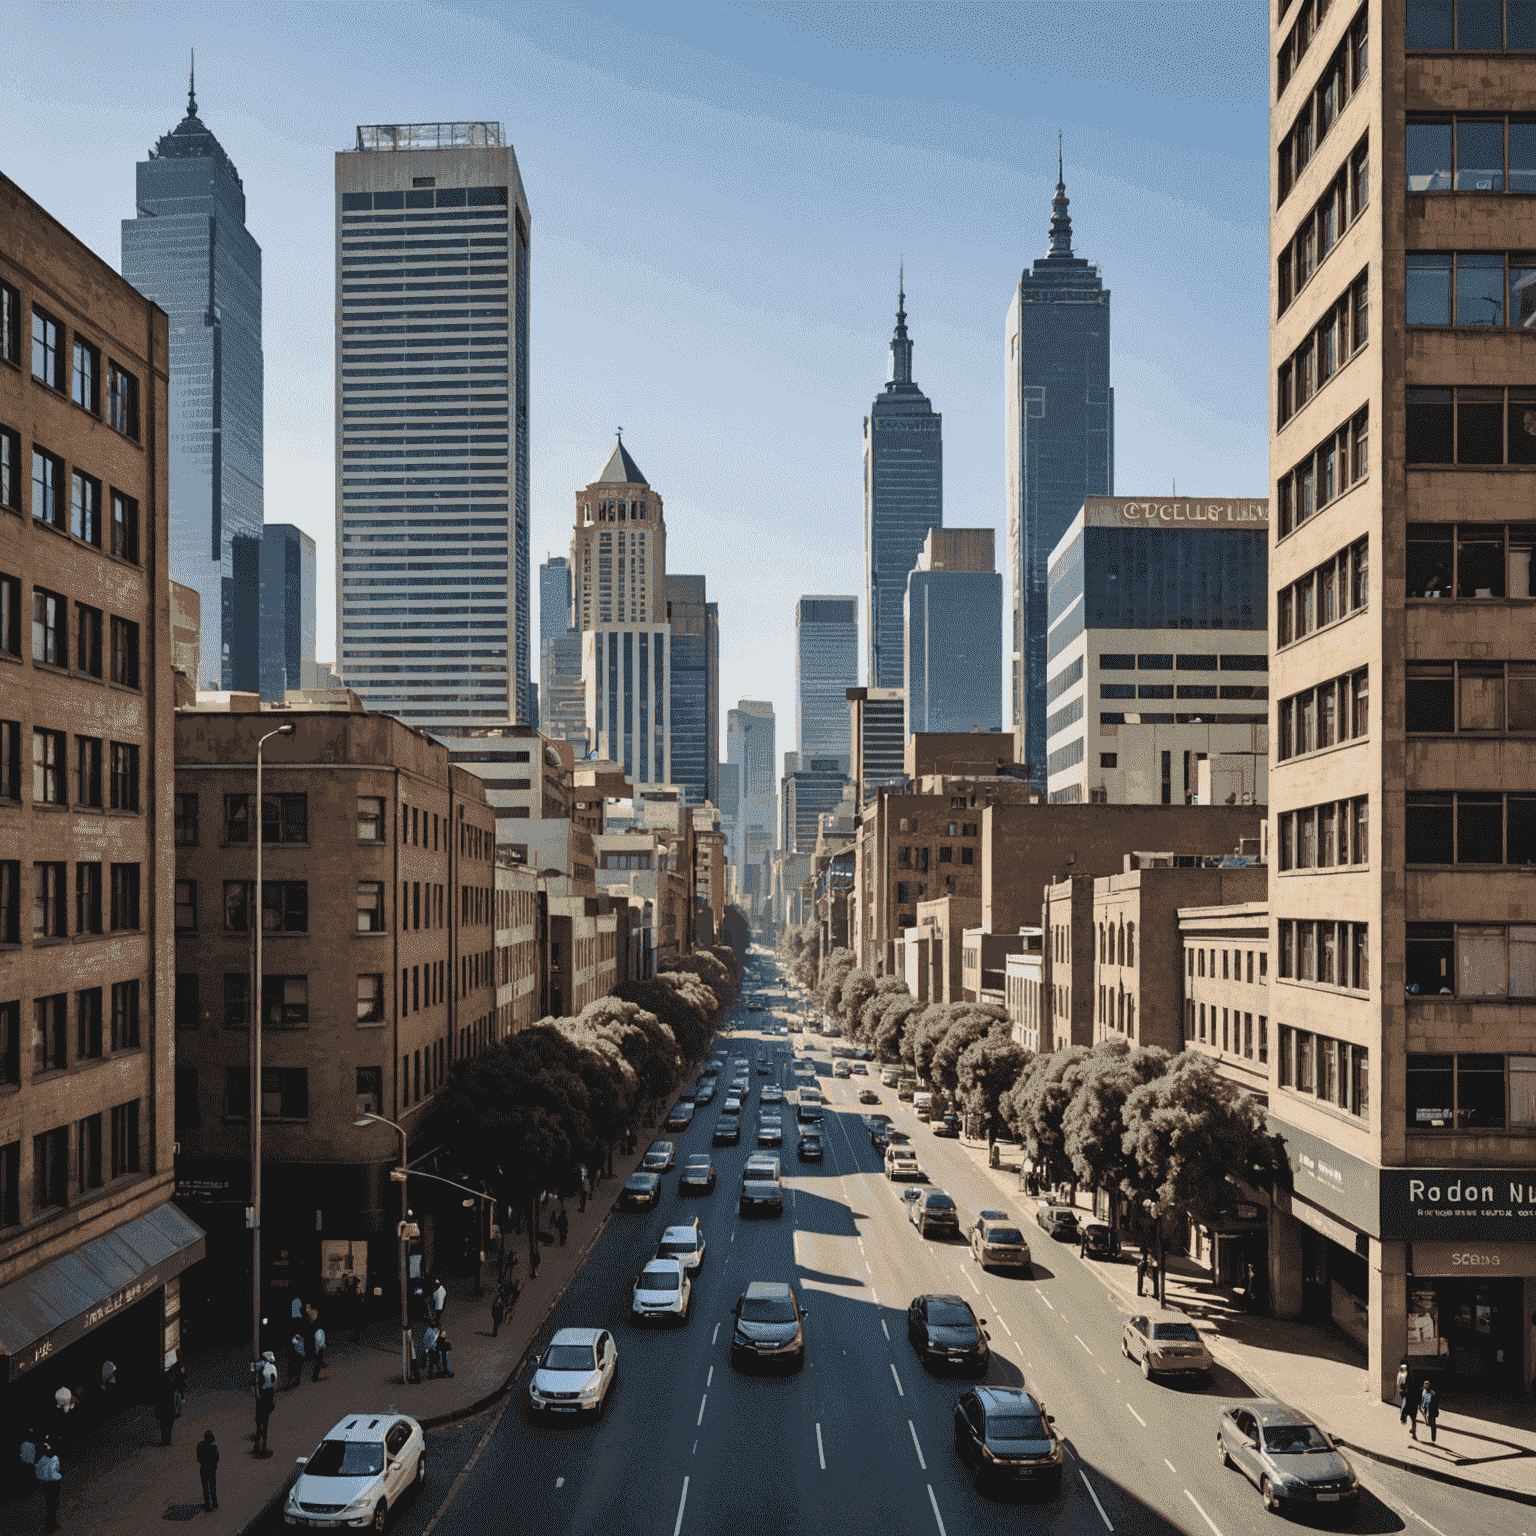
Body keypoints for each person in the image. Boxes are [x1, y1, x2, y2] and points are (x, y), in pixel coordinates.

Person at [35, 1441, 61, 1534]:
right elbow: (57, 1469)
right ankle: (51, 1525)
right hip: (52, 1484)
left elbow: (38, 1474)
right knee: (52, 1505)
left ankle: (51, 1524)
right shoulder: (53, 1458)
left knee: (51, 1504)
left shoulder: (42, 1461)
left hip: (49, 1484)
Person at [254, 1357, 276, 1456]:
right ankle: (263, 1449)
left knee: (259, 1427)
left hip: (260, 1406)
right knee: (264, 1428)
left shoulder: (260, 1383)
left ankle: (258, 1447)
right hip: (265, 1407)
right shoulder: (269, 1388)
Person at [196, 1430, 220, 1511]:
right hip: (211, 1469)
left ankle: (207, 1504)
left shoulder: (200, 1445)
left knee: (205, 1487)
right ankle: (214, 1503)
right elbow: (217, 1458)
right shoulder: (213, 1446)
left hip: (203, 1468)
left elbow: (198, 1458)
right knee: (212, 1486)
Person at [154, 1375, 178, 1447]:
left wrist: (156, 1413)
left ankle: (164, 1440)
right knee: (169, 1426)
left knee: (163, 1426)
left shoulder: (160, 1390)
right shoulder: (172, 1388)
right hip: (170, 1409)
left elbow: (157, 1402)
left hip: (163, 1411)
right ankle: (168, 1440)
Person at [1396, 1358, 1414, 1437]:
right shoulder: (1405, 1373)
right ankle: (1412, 1429)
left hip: (1405, 1393)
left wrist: (1399, 1390)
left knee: (1404, 1404)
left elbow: (1399, 1383)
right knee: (1412, 1415)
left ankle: (1403, 1416)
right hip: (1407, 1393)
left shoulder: (1402, 1373)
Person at [1420, 1380, 1440, 1445]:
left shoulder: (1433, 1394)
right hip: (1425, 1409)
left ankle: (1433, 1438)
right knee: (1431, 1423)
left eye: (1427, 1384)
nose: (1425, 1385)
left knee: (1433, 1424)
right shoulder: (1423, 1391)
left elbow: (1435, 1403)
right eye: (1424, 1384)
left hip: (1431, 1410)